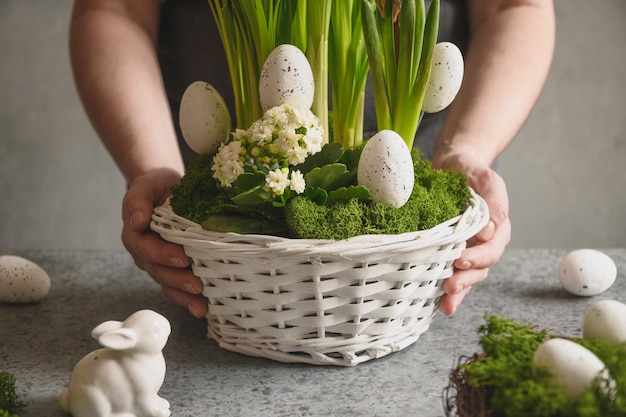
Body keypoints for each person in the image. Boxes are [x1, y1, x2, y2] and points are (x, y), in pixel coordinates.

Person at [69, 0, 555, 318]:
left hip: (410, 178)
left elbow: (514, 5)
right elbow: (116, 8)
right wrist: (155, 167)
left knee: (392, 183)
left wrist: (466, 151)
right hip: (232, 176)